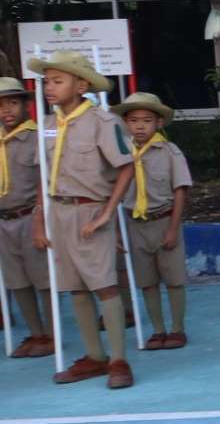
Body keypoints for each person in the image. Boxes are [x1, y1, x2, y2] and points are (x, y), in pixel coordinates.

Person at [28, 53, 135, 387]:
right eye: (47, 81)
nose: (49, 87)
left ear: (81, 85)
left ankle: (118, 360)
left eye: (58, 81)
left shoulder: (102, 122)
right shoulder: (47, 125)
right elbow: (43, 177)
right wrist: (39, 219)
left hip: (90, 211)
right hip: (58, 211)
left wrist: (107, 213)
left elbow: (126, 168)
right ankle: (95, 356)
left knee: (103, 284)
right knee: (74, 287)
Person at [112, 92, 192, 351]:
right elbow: (113, 194)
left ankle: (177, 328)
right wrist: (117, 230)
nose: (140, 126)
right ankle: (158, 330)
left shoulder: (169, 152)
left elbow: (180, 190)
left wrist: (173, 228)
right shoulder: (121, 155)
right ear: (125, 123)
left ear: (158, 123)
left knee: (173, 279)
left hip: (164, 221)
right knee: (146, 281)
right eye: (133, 121)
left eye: (146, 121)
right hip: (135, 225)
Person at [0, 77, 54, 358]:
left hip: (31, 217)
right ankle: (36, 333)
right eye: (1, 105)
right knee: (17, 280)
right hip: (4, 220)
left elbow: (44, 181)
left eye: (12, 103)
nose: (6, 110)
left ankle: (52, 333)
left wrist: (39, 219)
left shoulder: (36, 137)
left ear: (25, 106)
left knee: (42, 279)